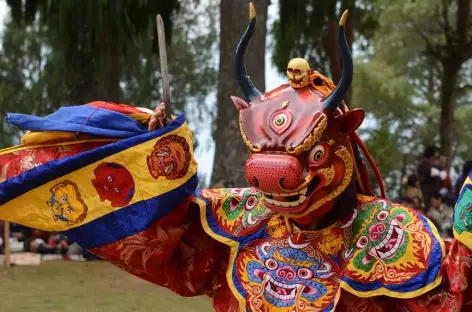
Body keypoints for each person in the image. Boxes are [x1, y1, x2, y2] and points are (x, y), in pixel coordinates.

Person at [2, 5, 472, 311]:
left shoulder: (396, 237)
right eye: (265, 155)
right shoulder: (238, 219)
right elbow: (163, 236)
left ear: (343, 142)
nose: (278, 176)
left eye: (310, 156)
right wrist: (152, 149)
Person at [416, 145, 447, 212]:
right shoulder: (423, 162)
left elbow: (443, 175)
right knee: (427, 209)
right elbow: (429, 172)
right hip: (426, 191)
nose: (436, 156)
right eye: (435, 154)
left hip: (435, 194)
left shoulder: (435, 164)